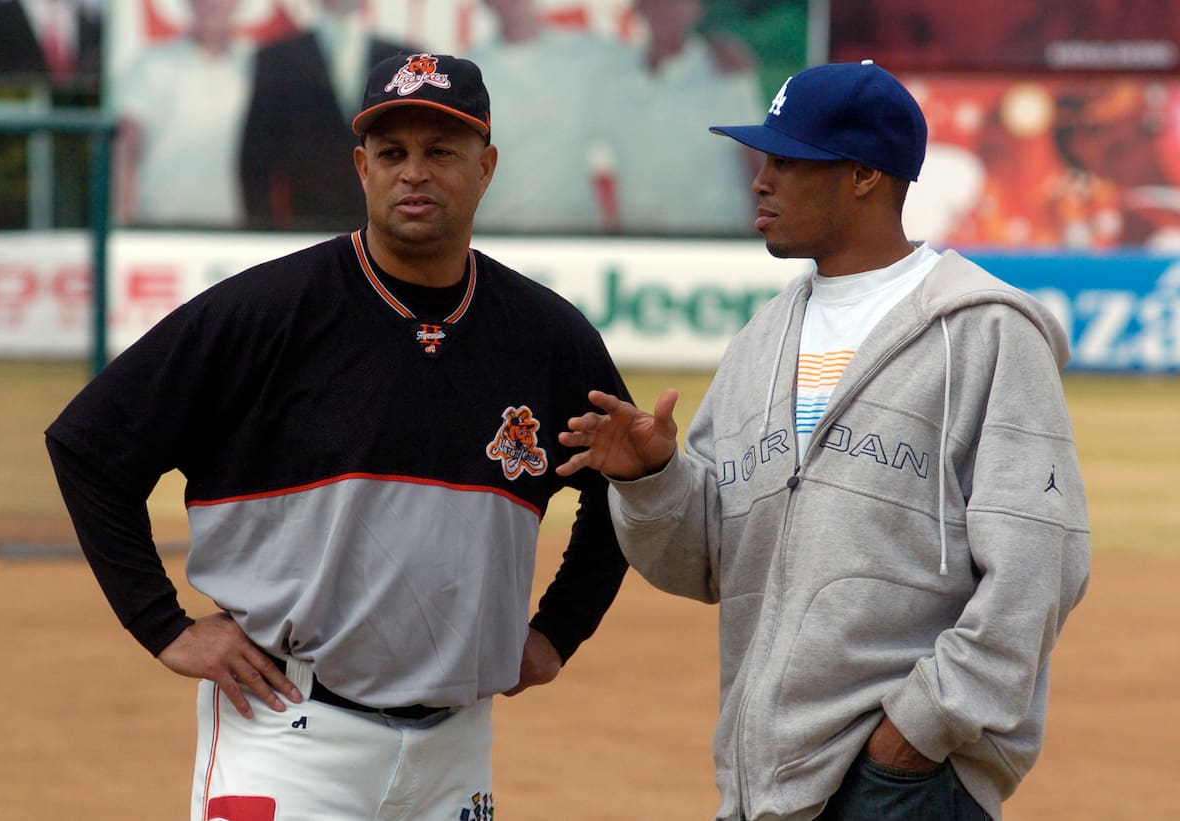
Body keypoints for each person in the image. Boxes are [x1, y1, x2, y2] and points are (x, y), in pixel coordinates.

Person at [46, 52, 630, 819]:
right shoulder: (262, 314)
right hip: (287, 727)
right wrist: (163, 626)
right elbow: (88, 445)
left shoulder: (547, 337)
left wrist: (558, 631)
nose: (413, 172)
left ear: (486, 167)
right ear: (361, 167)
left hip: (456, 747)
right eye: (392, 153)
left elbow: (623, 483)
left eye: (441, 151)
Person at [557, 60, 1091, 820]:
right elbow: (700, 563)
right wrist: (654, 478)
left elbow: (1041, 564)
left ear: (866, 175)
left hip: (906, 783)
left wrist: (917, 730)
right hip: (763, 785)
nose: (759, 180)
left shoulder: (987, 333)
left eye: (787, 160)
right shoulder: (760, 342)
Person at [238, 0, 416, 231]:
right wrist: (266, 235)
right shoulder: (277, 59)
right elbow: (255, 160)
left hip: (390, 232)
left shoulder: (405, 60)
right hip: (305, 230)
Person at [464, 0, 636, 233]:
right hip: (498, 236)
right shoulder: (472, 73)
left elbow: (654, 61)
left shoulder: (586, 56)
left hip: (576, 237)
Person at [608, 0, 760, 235]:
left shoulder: (725, 72)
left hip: (715, 237)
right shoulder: (614, 76)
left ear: (696, 9)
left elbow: (754, 158)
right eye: (656, 3)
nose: (666, 9)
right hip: (640, 238)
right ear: (639, 8)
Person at [114, 0, 253, 227]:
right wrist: (122, 225)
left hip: (235, 234)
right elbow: (124, 153)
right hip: (158, 230)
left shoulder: (255, 66)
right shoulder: (152, 65)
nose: (212, 4)